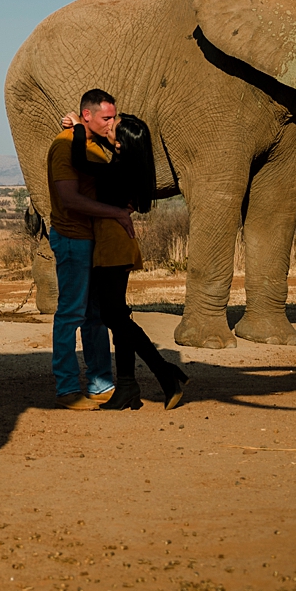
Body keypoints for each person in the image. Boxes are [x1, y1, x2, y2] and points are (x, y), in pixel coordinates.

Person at [81, 111, 190, 410]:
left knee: (112, 316)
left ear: (121, 145)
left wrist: (79, 131)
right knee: (117, 315)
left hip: (112, 246)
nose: (109, 127)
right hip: (115, 245)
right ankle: (128, 385)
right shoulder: (127, 166)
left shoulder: (115, 171)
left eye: (114, 127)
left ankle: (163, 371)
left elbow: (82, 167)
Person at [44, 89, 119, 409]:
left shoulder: (95, 144)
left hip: (91, 239)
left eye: (114, 117)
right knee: (71, 313)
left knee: (94, 314)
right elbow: (70, 198)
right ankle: (67, 387)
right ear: (87, 115)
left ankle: (101, 384)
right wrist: (115, 213)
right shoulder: (64, 146)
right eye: (106, 118)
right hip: (73, 238)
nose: (112, 123)